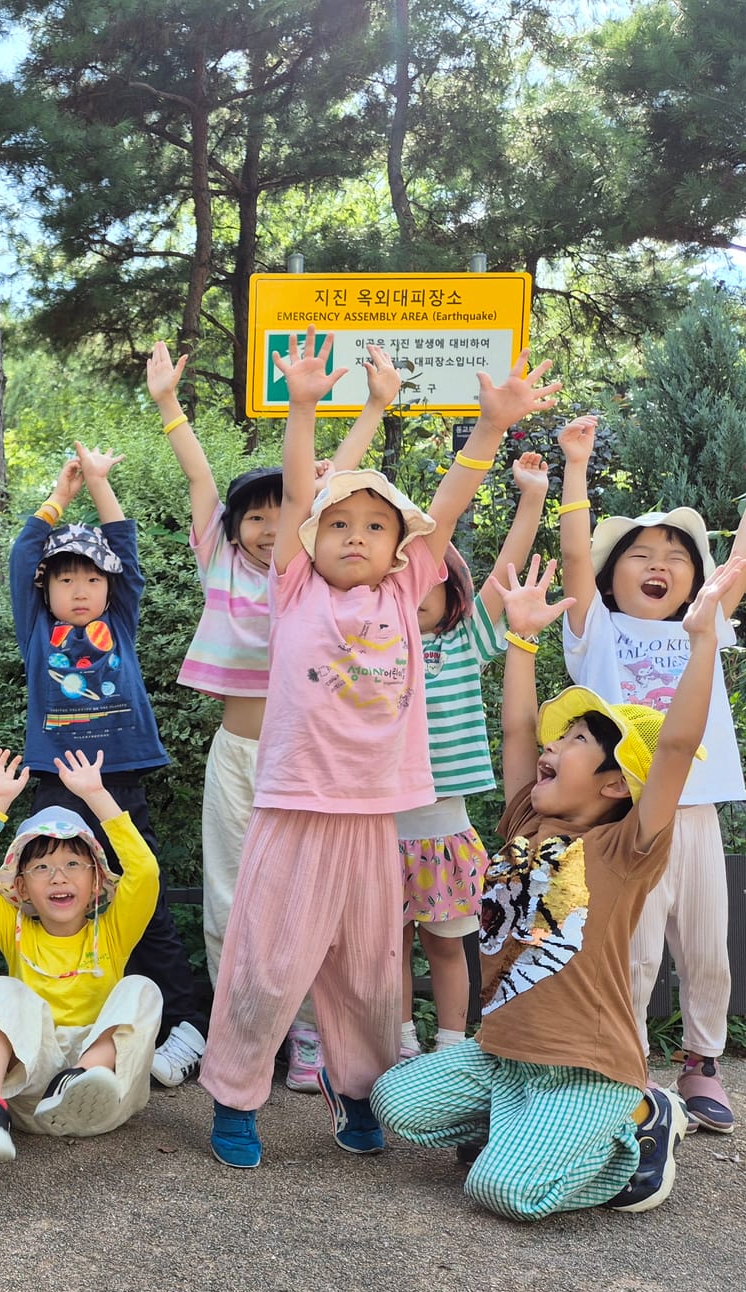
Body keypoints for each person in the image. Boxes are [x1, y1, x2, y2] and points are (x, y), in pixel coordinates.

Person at [199, 329, 559, 1171]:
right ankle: (236, 1095)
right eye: (338, 524)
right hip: (294, 805)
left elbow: (453, 501)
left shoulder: (405, 591)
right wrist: (302, 407)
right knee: (267, 962)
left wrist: (491, 427)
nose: (355, 535)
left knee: (369, 969)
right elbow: (299, 490)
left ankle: (357, 1088)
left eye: (374, 525)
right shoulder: (294, 588)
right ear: (310, 540)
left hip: (376, 815)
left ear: (402, 547)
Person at [371, 553, 745, 1220]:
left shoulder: (626, 849)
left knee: (502, 1191)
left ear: (615, 782)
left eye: (574, 742)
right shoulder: (528, 822)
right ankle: (522, 1129)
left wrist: (701, 641)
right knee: (393, 1101)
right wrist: (521, 639)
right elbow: (517, 728)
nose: (550, 747)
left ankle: (639, 1124)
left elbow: (676, 747)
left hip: (586, 1067)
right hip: (502, 1056)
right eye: (559, 737)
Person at [164, 339, 398, 1093]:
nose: (269, 528)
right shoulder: (219, 562)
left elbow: (328, 489)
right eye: (254, 517)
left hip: (305, 762)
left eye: (279, 515)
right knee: (231, 898)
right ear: (232, 527)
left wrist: (372, 409)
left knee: (315, 906)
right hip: (238, 754)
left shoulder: (308, 580)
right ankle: (242, 1032)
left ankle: (306, 1035)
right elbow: (200, 477)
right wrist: (169, 405)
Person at [558, 419, 746, 1134]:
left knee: (706, 950)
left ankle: (702, 1064)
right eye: (639, 554)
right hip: (624, 813)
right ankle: (623, 1069)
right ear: (611, 576)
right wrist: (575, 466)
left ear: (696, 578)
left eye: (674, 556)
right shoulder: (595, 630)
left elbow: (744, 560)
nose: (658, 563)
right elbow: (572, 553)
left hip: (695, 811)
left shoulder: (704, 625)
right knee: (630, 953)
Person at [12, 436, 206, 1089]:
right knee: (54, 901)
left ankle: (184, 1023)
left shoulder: (119, 621)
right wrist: (59, 495)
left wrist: (97, 482)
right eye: (65, 578)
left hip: (119, 780)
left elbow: (124, 544)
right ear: (47, 589)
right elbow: (23, 554)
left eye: (92, 578)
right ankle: (64, 1024)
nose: (80, 589)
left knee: (140, 895)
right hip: (57, 785)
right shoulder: (38, 630)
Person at [395, 449, 550, 1060]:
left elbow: (506, 571)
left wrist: (532, 496)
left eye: (429, 579)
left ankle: (451, 1044)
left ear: (453, 587)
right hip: (377, 823)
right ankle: (398, 1042)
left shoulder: (464, 640)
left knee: (447, 944)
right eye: (401, 580)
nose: (415, 590)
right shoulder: (369, 642)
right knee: (387, 947)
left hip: (443, 824)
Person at [0, 748, 163, 1166]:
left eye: (73, 864)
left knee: (141, 988)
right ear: (21, 887)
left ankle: (79, 1077)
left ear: (96, 881)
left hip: (103, 1093)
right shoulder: (15, 930)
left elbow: (145, 873)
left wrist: (97, 795)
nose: (59, 876)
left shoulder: (113, 931)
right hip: (29, 1097)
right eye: (42, 868)